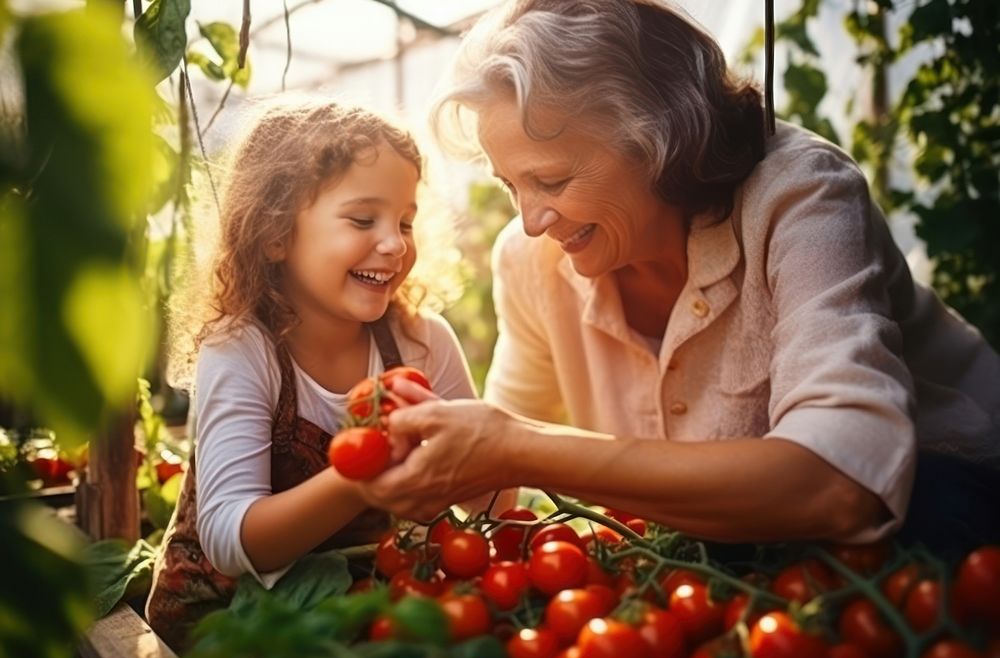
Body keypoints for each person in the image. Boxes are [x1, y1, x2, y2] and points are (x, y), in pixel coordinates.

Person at [356, 0, 1000, 554]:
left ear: (660, 138)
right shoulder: (531, 262)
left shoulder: (800, 196)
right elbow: (504, 476)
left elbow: (844, 482)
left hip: (958, 507)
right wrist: (440, 459)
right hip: (761, 558)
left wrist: (514, 445)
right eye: (510, 184)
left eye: (551, 180)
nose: (529, 220)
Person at [145, 99, 479, 649]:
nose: (395, 243)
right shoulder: (243, 347)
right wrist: (366, 473)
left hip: (359, 615)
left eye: (406, 221)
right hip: (228, 627)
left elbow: (490, 497)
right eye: (363, 219)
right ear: (276, 234)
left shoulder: (422, 343)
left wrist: (483, 467)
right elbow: (231, 540)